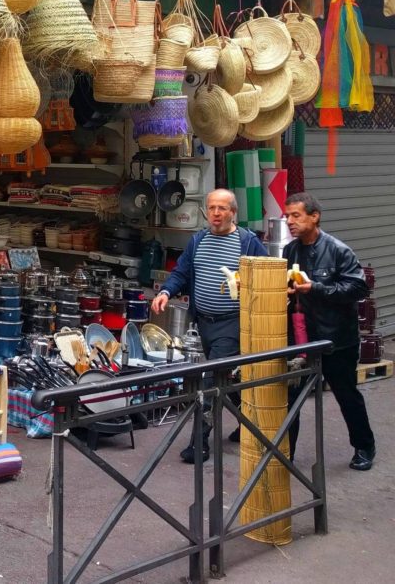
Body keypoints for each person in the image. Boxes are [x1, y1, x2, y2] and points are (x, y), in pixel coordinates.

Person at [152, 189, 267, 462]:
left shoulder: (247, 242)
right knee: (227, 378)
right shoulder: (198, 241)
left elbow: (267, 274)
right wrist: (166, 292)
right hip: (203, 322)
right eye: (212, 208)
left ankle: (199, 444)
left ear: (233, 212)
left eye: (222, 208)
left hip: (232, 323)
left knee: (210, 379)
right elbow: (181, 271)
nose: (216, 213)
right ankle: (249, 422)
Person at [283, 192, 376, 471]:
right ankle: (285, 451)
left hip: (336, 339)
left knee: (346, 395)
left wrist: (317, 288)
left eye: (296, 215)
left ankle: (364, 446)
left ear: (314, 216)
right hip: (301, 339)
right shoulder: (290, 251)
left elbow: (358, 288)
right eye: (288, 216)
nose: (290, 221)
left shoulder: (338, 250)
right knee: (291, 398)